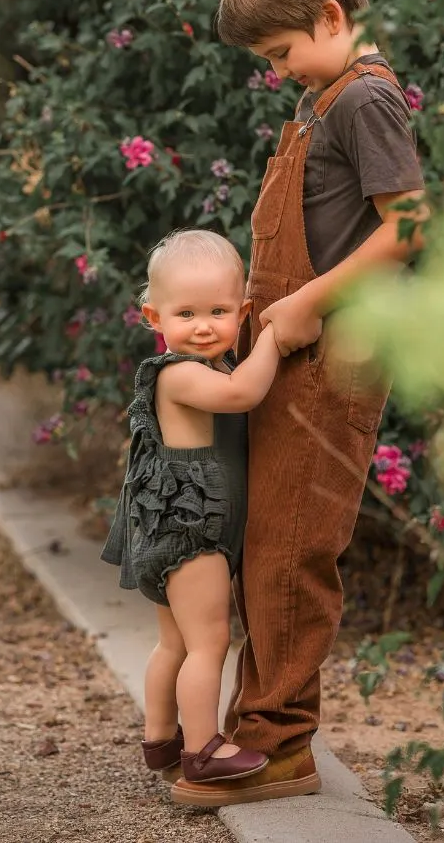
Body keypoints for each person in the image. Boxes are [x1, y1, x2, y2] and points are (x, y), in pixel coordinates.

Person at [170, 0, 428, 808]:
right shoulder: (324, 100)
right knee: (267, 542)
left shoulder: (364, 98)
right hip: (290, 357)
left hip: (332, 362)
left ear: (328, 15)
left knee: (291, 550)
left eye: (282, 52)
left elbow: (411, 226)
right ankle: (261, 727)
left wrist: (307, 306)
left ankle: (278, 747)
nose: (280, 70)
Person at [101, 229, 283, 789]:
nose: (203, 325)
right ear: (154, 318)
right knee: (208, 642)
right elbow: (241, 397)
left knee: (175, 642)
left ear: (240, 310)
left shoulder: (204, 367)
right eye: (186, 313)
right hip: (191, 534)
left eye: (219, 311)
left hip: (165, 533)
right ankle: (203, 748)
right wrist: (273, 338)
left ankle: (161, 739)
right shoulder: (180, 374)